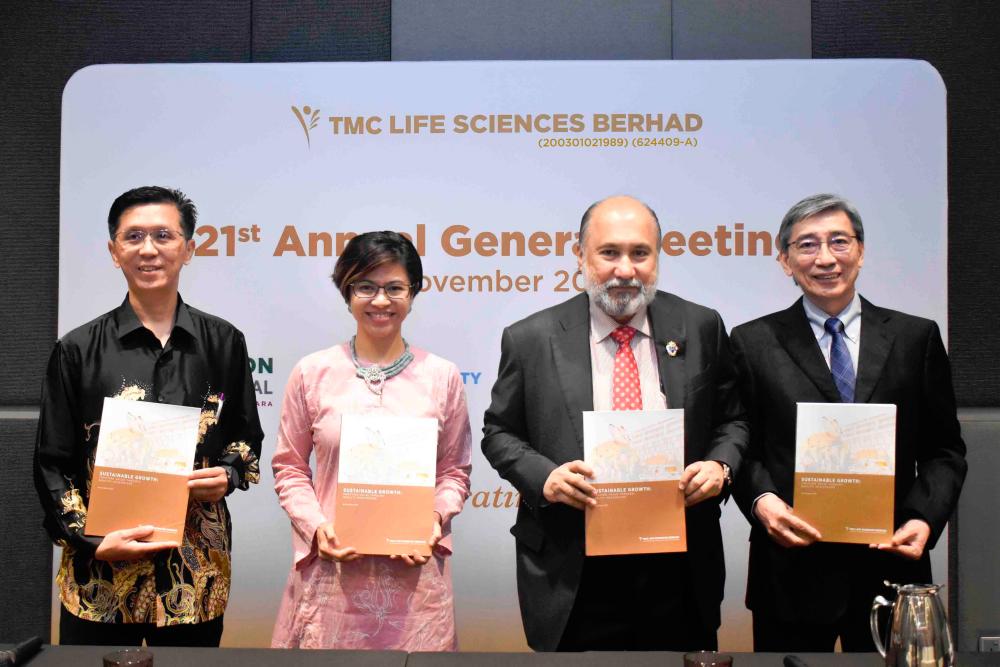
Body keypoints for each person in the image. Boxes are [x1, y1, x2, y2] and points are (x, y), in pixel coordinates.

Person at [481, 195, 748, 651]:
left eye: (640, 253)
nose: (626, 269)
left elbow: (734, 420)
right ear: (580, 256)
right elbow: (499, 432)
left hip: (678, 569)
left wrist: (719, 467)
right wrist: (545, 478)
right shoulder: (530, 338)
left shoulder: (701, 326)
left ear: (657, 258)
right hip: (574, 570)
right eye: (609, 253)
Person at [730, 193, 967, 652]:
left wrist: (924, 519)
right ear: (784, 260)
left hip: (892, 564)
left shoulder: (915, 337)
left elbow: (944, 450)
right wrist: (762, 503)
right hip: (790, 572)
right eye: (806, 245)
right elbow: (742, 444)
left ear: (861, 251)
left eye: (839, 242)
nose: (824, 259)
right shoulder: (751, 342)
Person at [34, 186, 264, 646]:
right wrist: (92, 542)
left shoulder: (225, 342)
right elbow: (52, 463)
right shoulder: (77, 349)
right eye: (133, 236)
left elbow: (245, 440)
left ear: (189, 248)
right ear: (114, 251)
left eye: (164, 235)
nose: (149, 249)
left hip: (193, 575)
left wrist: (230, 474)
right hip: (98, 576)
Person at [270, 231, 472, 651]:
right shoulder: (312, 372)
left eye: (395, 287)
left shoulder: (442, 376)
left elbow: (454, 472)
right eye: (366, 287)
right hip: (332, 578)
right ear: (347, 292)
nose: (381, 300)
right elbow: (289, 467)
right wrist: (316, 528)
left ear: (413, 293)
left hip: (416, 586)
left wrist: (433, 521)